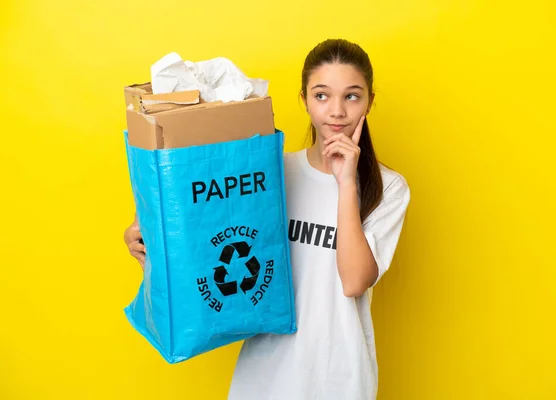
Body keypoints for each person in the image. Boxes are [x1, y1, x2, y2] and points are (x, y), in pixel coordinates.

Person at [124, 38, 410, 400]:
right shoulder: (272, 174)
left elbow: (354, 282)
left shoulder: (389, 189)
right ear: (304, 100)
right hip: (265, 377)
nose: (336, 111)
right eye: (322, 95)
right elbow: (212, 242)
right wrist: (150, 237)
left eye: (351, 96)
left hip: (339, 378)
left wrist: (346, 182)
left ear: (369, 101)